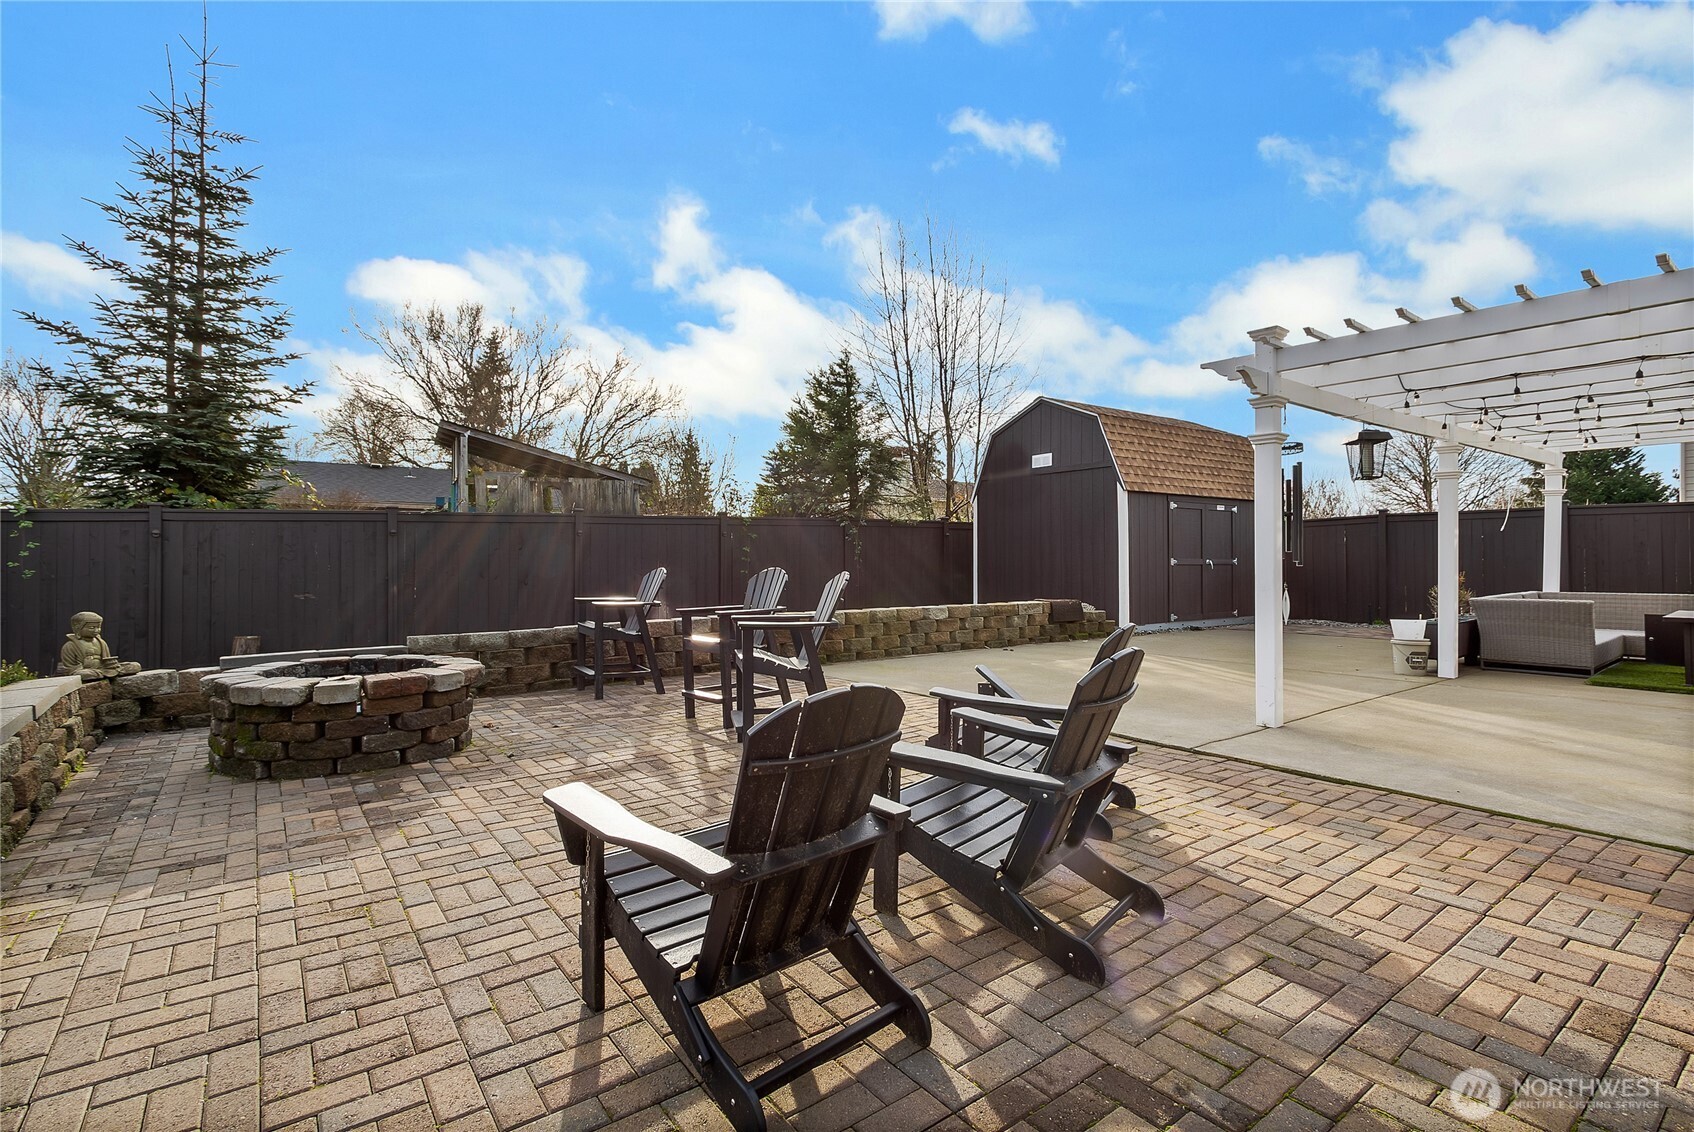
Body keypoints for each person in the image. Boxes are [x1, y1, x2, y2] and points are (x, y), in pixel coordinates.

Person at [56, 612, 142, 680]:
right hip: (87, 671)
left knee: (135, 666)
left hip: (104, 669)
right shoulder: (70, 646)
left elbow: (107, 660)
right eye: (92, 627)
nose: (96, 630)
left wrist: (112, 664)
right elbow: (71, 668)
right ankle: (105, 674)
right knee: (84, 674)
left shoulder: (101, 642)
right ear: (78, 628)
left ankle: (107, 674)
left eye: (98, 627)